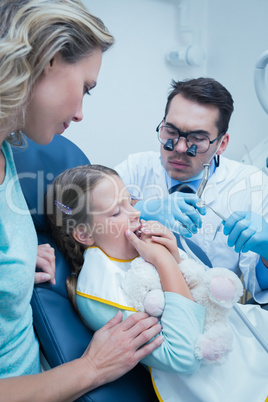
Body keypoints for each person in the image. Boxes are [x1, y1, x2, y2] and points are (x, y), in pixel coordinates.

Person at [0, 1, 163, 399]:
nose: (81, 115)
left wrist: (15, 259)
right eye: (86, 88)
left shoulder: (7, 151)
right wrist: (92, 368)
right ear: (47, 59)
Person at [46, 164, 268, 402]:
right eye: (115, 212)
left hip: (251, 339)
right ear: (84, 234)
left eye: (130, 201)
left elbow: (208, 299)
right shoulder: (99, 289)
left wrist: (176, 257)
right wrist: (165, 262)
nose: (135, 213)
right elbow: (184, 354)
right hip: (228, 385)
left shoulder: (141, 249)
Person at [115, 77, 268, 306]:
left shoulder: (250, 184)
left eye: (197, 138)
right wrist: (139, 207)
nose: (179, 147)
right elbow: (76, 205)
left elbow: (259, 287)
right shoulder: (136, 169)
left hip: (207, 312)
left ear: (222, 144)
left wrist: (266, 251)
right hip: (137, 305)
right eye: (171, 132)